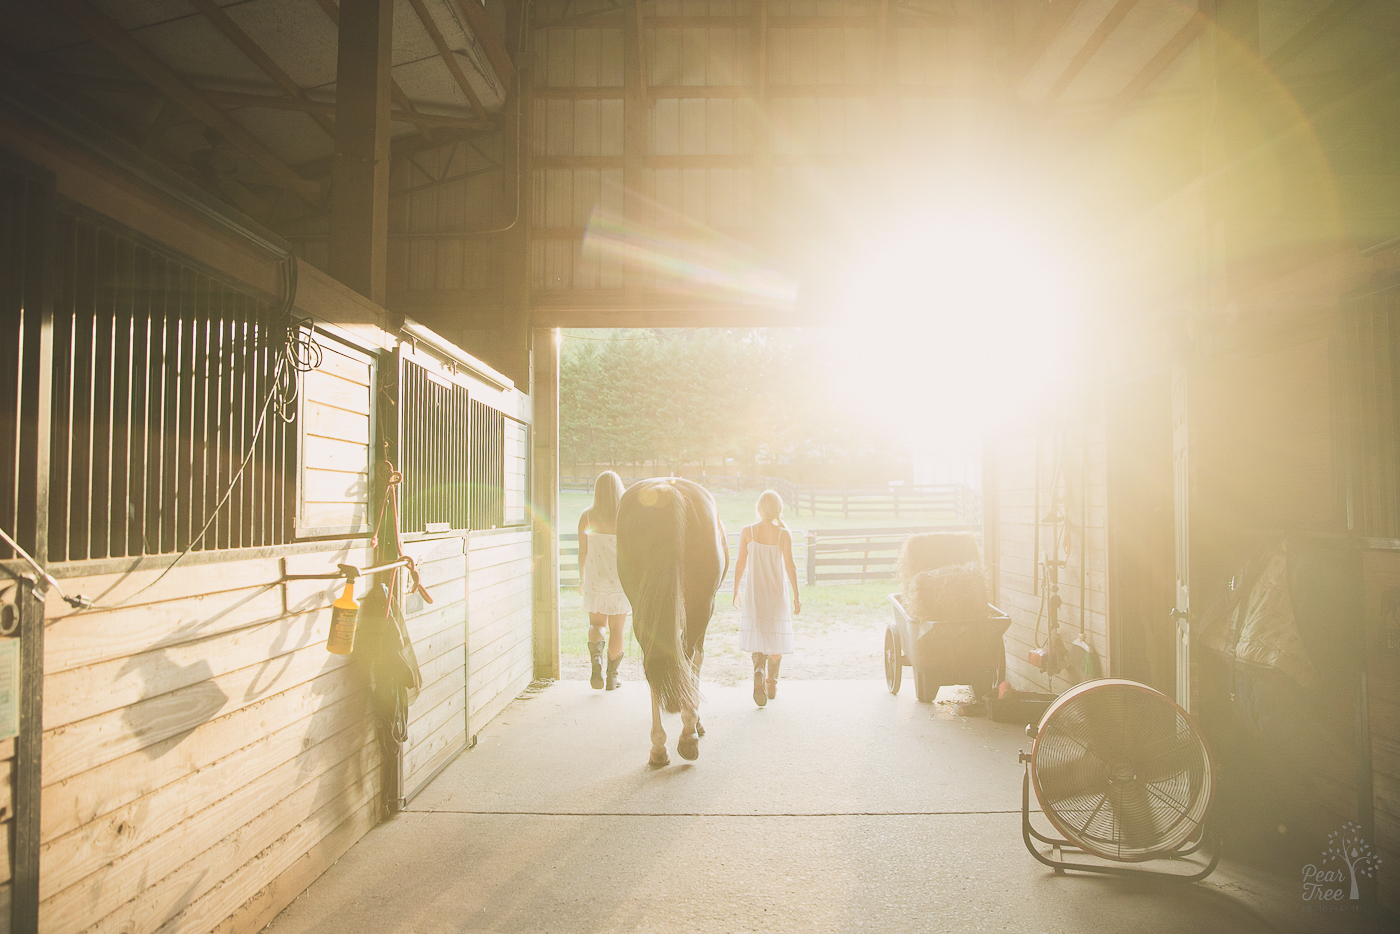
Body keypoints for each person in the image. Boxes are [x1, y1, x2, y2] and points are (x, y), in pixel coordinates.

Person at [732, 489, 800, 707]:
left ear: (759, 508)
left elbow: (740, 563)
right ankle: (771, 682)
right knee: (776, 637)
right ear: (778, 509)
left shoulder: (747, 531)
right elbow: (790, 566)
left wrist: (736, 590)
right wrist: (797, 595)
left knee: (759, 632)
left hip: (755, 592)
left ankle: (758, 669)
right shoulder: (783, 534)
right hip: (777, 592)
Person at [579, 470, 630, 690]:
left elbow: (583, 552)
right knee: (617, 630)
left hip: (595, 576)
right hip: (620, 579)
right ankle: (612, 677)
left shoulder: (587, 516)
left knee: (596, 624)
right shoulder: (626, 517)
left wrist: (582, 578)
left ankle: (596, 663)